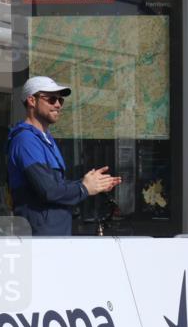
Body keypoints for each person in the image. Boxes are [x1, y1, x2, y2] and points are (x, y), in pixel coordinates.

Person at [7, 76, 120, 235]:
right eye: (52, 99)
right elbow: (49, 190)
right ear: (32, 100)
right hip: (40, 238)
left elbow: (55, 184)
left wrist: (90, 183)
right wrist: (84, 188)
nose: (58, 105)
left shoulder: (44, 138)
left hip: (56, 233)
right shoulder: (25, 140)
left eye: (61, 100)